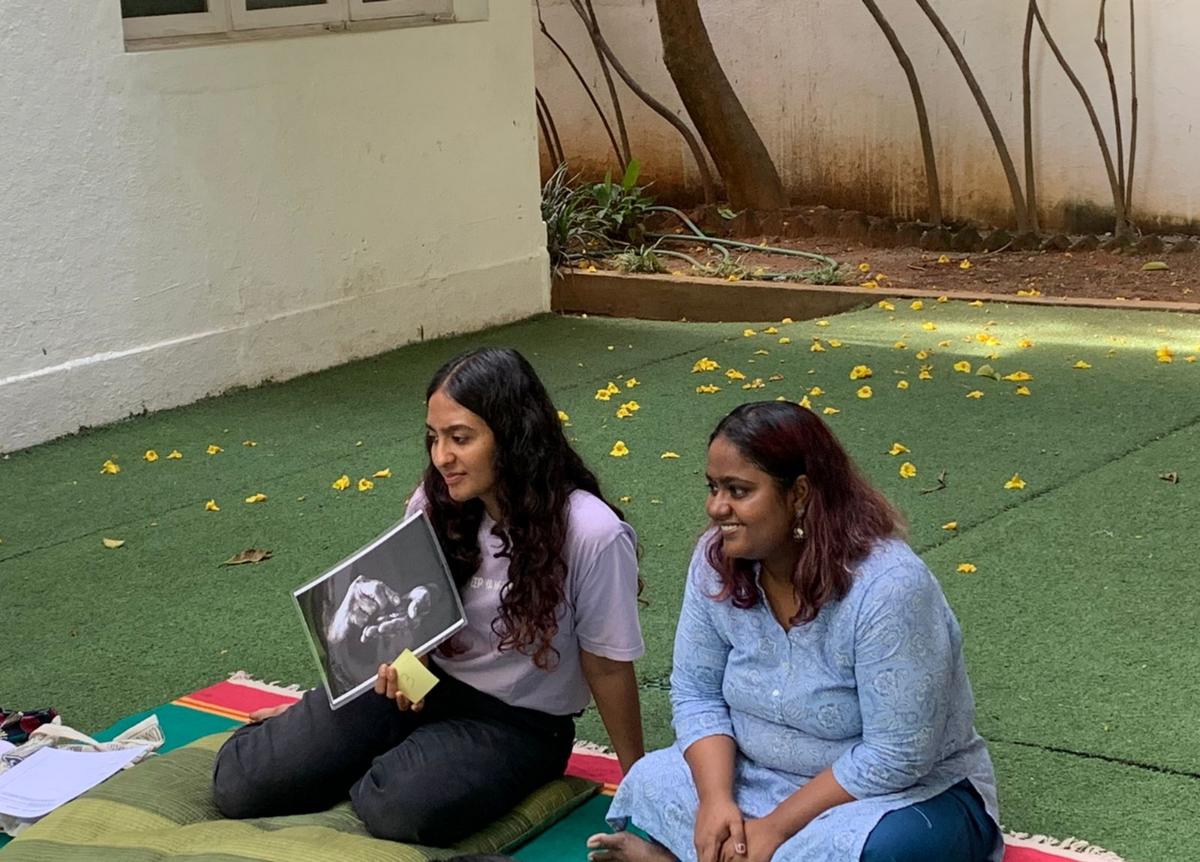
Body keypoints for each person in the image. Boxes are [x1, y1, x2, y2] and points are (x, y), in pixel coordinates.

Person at [212, 347, 646, 845]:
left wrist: (637, 779)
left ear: (514, 436)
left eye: (460, 438)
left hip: (520, 723)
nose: (442, 457)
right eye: (434, 438)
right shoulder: (435, 501)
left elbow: (608, 666)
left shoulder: (592, 533)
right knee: (242, 782)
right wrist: (342, 707)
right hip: (422, 685)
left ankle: (399, 758)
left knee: (396, 807)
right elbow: (410, 634)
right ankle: (354, 743)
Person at [589, 401, 1000, 862]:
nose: (716, 507)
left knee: (884, 851)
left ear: (800, 494)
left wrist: (775, 829)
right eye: (713, 487)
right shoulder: (714, 560)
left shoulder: (889, 587)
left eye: (738, 491)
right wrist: (716, 801)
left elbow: (898, 754)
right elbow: (696, 693)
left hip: (889, 797)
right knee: (651, 780)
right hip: (754, 776)